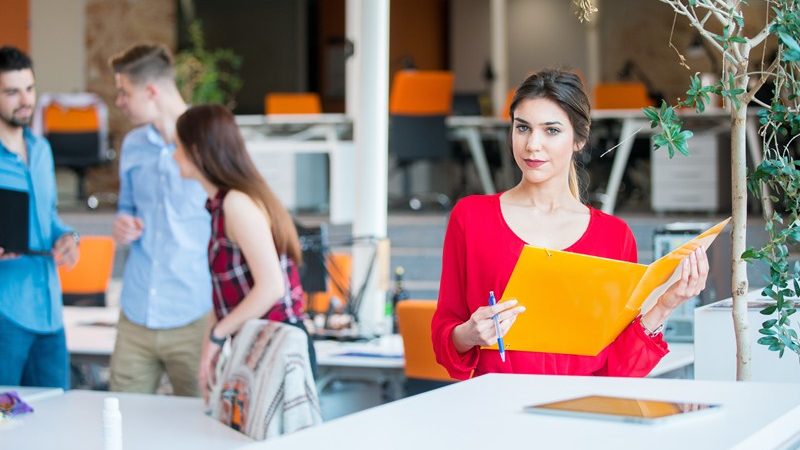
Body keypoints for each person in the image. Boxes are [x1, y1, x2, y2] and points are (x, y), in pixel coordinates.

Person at [432, 69, 709, 380]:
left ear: (579, 138)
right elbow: (445, 338)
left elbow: (617, 368)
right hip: (498, 413)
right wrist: (470, 333)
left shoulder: (613, 237)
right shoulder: (472, 218)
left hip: (583, 414)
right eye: (522, 128)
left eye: (551, 131)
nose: (532, 144)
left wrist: (665, 304)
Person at [172, 104, 315, 399]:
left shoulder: (237, 204)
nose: (174, 155)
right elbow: (226, 292)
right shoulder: (223, 205)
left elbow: (272, 287)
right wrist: (211, 344)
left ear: (197, 151)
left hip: (278, 345)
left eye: (178, 146)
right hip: (259, 344)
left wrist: (217, 334)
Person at [108, 44, 211, 396]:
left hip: (194, 316)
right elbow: (128, 206)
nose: (119, 101)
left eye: (124, 92)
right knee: (121, 419)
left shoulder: (208, 141)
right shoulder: (133, 144)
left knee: (199, 429)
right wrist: (124, 222)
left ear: (151, 92)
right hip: (136, 313)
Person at [0, 46, 80, 389]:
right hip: (6, 314)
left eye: (29, 89)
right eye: (12, 92)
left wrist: (67, 238)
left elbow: (48, 217)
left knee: (56, 420)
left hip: (50, 314)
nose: (25, 100)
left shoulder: (42, 149)